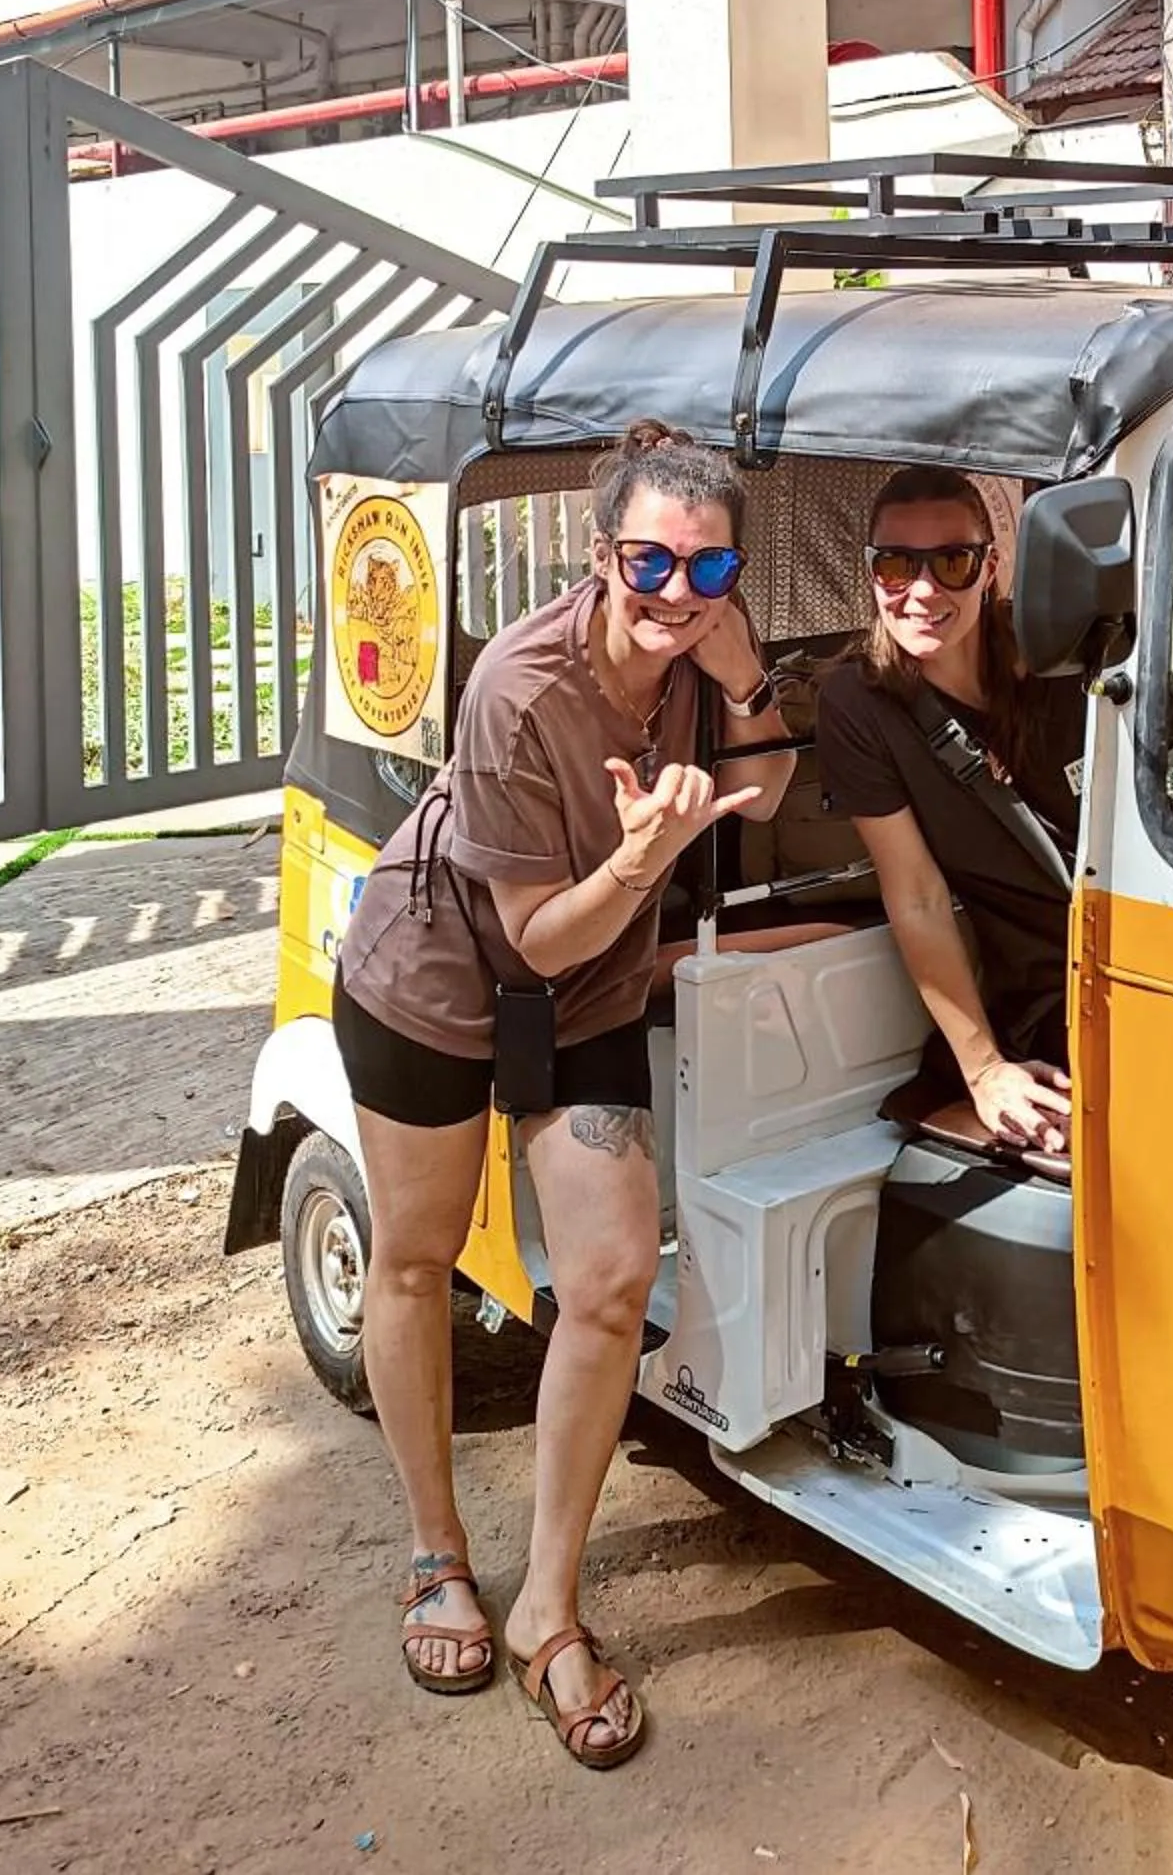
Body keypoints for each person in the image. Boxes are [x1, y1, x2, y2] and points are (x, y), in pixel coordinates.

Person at [331, 419, 793, 1766]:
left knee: (601, 1279)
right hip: (439, 973)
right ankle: (435, 1556)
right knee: (417, 1259)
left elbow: (761, 797)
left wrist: (745, 668)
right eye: (649, 560)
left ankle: (546, 1605)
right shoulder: (522, 690)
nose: (673, 591)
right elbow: (532, 933)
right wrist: (644, 859)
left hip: (588, 984)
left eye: (707, 571)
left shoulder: (705, 645)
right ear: (602, 557)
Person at [816, 466, 1083, 1157]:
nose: (924, 592)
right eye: (898, 565)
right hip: (1051, 986)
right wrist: (985, 1070)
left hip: (1157, 939)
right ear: (872, 572)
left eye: (953, 562)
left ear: (990, 567)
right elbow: (917, 894)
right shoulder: (858, 703)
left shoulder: (1061, 656)